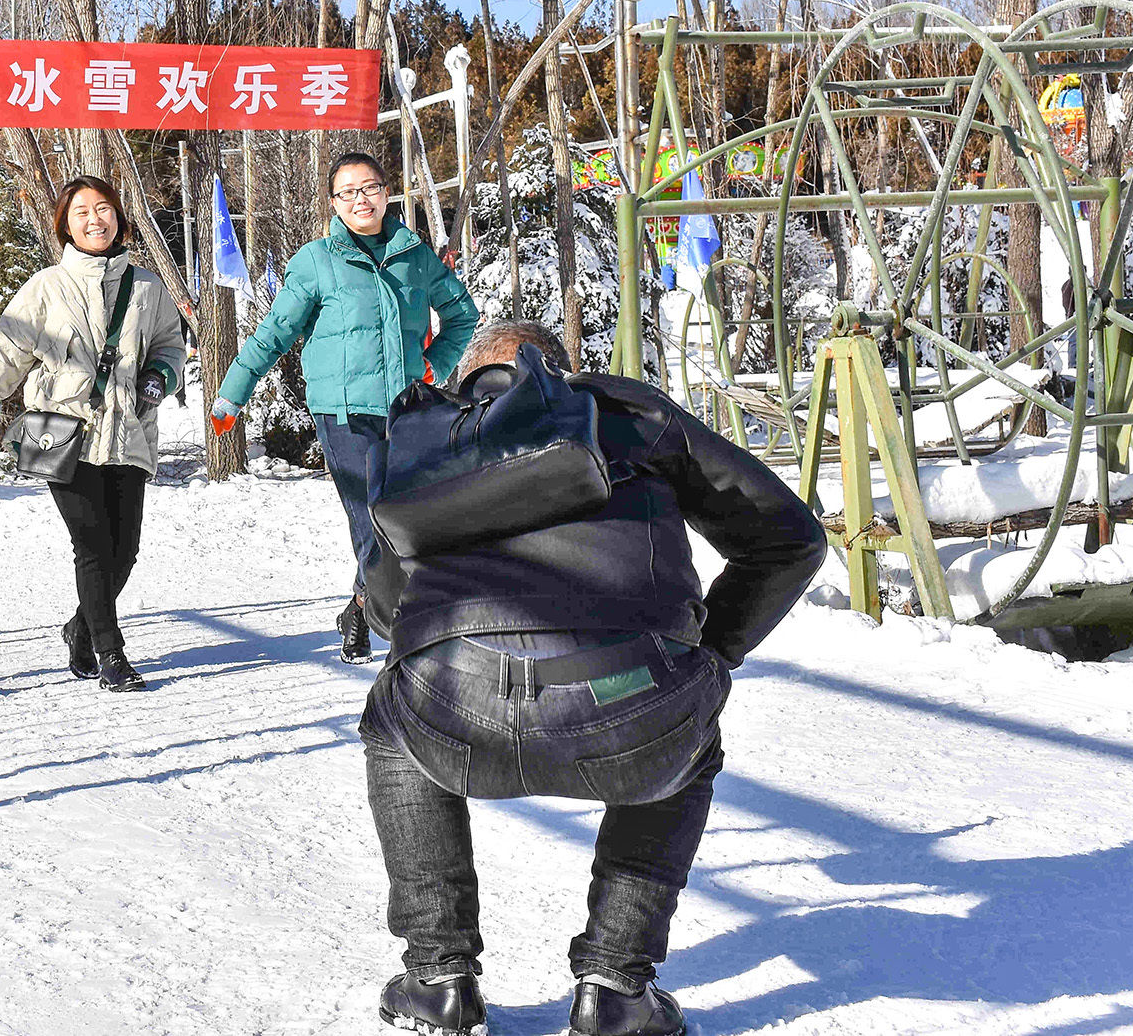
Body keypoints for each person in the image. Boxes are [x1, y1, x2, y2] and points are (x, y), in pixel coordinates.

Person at [357, 322, 827, 1036]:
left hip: (453, 702)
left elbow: (392, 610)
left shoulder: (435, 439)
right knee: (684, 724)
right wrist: (709, 654)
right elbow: (790, 536)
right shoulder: (629, 411)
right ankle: (615, 983)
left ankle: (438, 975)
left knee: (396, 718)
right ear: (561, 374)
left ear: (467, 382)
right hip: (628, 698)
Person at [212, 152, 479, 665]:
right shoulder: (316, 261)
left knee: (398, 516)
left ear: (386, 193)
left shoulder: (414, 255)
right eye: (349, 191)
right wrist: (232, 394)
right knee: (370, 517)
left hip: (405, 409)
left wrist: (432, 365)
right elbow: (274, 333)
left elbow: (461, 316)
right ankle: (392, 620)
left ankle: (360, 606)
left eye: (371, 187)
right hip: (343, 413)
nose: (362, 198)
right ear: (333, 202)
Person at [0, 176, 185, 694]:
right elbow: (3, 355)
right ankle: (110, 652)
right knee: (91, 544)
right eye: (82, 213)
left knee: (124, 549)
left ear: (118, 216)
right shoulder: (46, 287)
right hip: (60, 432)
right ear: (65, 225)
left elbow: (169, 345)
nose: (95, 220)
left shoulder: (148, 287)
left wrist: (160, 375)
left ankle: (80, 625)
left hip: (128, 432)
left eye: (104, 209)